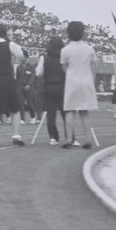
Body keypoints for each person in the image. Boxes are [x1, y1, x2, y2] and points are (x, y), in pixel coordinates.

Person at [60, 20, 98, 149]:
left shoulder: (65, 50)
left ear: (69, 33)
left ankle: (69, 139)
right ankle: (87, 139)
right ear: (82, 33)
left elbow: (64, 68)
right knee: (84, 111)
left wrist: (72, 74)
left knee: (70, 110)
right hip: (86, 81)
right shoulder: (90, 49)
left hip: (72, 81)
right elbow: (93, 69)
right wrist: (91, 82)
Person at [35, 36, 66, 145]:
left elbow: (38, 73)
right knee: (65, 113)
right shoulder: (64, 57)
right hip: (62, 87)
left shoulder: (44, 57)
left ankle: (53, 137)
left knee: (51, 113)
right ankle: (70, 137)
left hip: (49, 87)